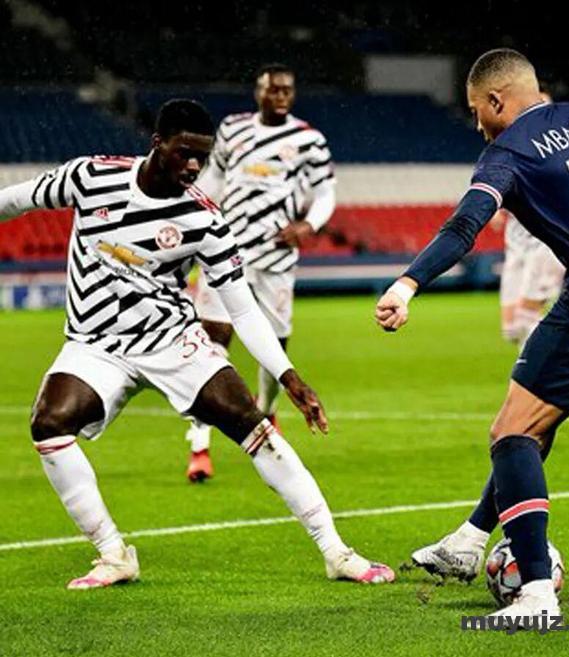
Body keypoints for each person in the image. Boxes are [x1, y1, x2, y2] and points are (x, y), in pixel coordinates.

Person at [0, 99, 394, 590]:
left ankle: (337, 552)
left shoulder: (204, 218)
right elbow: (15, 201)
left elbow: (242, 309)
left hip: (172, 342)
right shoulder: (91, 176)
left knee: (253, 425)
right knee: (49, 423)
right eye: (184, 153)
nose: (193, 166)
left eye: (202, 158)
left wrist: (288, 375)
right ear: (157, 143)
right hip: (95, 345)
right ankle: (113, 554)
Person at [375, 49, 569, 622]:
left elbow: (464, 226)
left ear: (496, 100)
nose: (476, 122)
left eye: (475, 109)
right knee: (533, 418)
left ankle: (536, 594)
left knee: (512, 432)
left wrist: (407, 285)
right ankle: (469, 539)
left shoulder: (507, 152)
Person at [183, 63, 336, 483]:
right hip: (225, 251)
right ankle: (199, 444)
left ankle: (266, 411)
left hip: (276, 257)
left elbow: (325, 193)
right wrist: (195, 220)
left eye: (287, 90)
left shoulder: (308, 140)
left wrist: (309, 225)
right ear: (259, 92)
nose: (281, 96)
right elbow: (213, 179)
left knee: (275, 344)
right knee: (211, 343)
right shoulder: (233, 129)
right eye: (273, 89)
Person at [495, 208, 564, 347]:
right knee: (511, 330)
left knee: (525, 318)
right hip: (515, 250)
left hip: (544, 248)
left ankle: (544, 358)